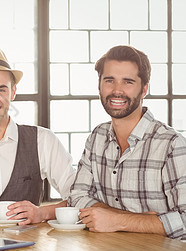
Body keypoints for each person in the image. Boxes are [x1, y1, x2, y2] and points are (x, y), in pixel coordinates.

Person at [69, 45, 186, 240]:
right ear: (99, 85)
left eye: (128, 82)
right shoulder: (97, 137)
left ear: (144, 89)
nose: (117, 90)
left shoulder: (171, 145)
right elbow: (77, 197)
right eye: (109, 80)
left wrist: (118, 221)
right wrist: (135, 220)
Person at [0, 44, 76, 225]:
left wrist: (43, 212)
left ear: (13, 92)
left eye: (1, 89)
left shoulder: (42, 140)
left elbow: (80, 197)